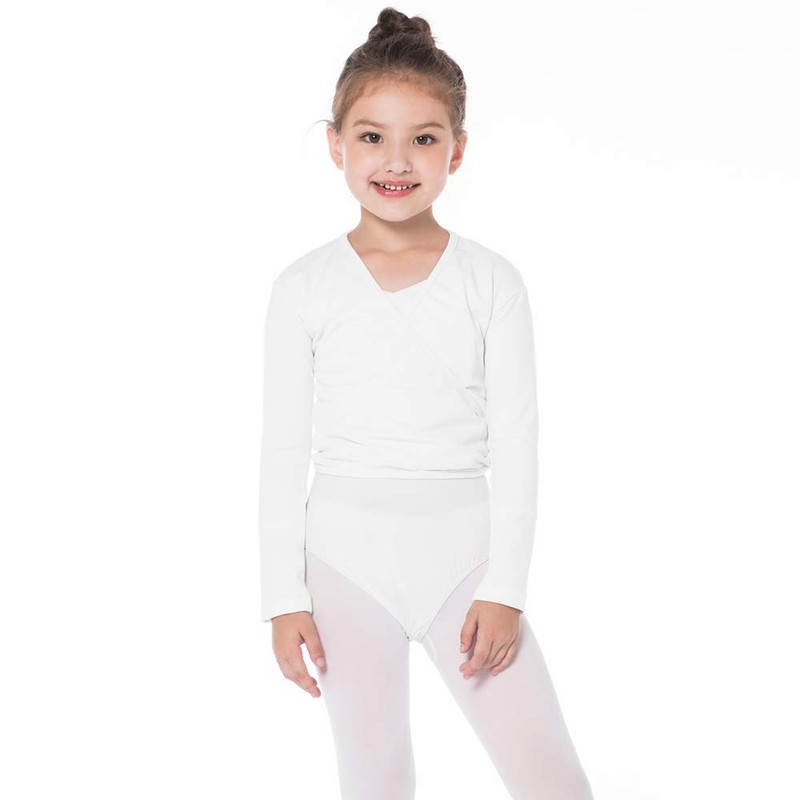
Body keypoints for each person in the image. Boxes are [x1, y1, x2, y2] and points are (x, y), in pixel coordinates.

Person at [258, 7, 595, 799]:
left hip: (466, 563)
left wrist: (505, 588)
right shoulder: (303, 288)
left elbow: (517, 439)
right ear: (337, 144)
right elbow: (282, 448)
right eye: (372, 136)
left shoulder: (491, 282)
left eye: (424, 138)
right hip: (343, 565)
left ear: (457, 150)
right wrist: (282, 598)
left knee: (551, 780)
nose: (396, 160)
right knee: (374, 781)